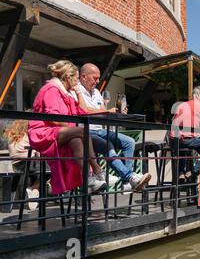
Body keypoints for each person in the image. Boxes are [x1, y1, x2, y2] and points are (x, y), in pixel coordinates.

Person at [28, 60, 106, 195]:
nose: (77, 82)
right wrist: (73, 130)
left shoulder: (66, 93)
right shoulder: (52, 89)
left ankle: (88, 179)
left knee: (76, 140)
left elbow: (82, 111)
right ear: (68, 77)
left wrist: (78, 92)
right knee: (82, 131)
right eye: (76, 79)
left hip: (58, 132)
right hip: (42, 132)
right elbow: (54, 119)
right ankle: (97, 169)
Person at [72, 63, 151, 192]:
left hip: (100, 130)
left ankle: (127, 181)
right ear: (84, 76)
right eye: (95, 78)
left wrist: (116, 113)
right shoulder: (76, 91)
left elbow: (103, 112)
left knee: (129, 142)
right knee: (108, 145)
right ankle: (130, 178)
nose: (97, 81)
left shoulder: (97, 92)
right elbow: (83, 111)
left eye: (98, 78)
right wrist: (106, 111)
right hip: (85, 130)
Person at [169, 86, 200, 181]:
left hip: (173, 141)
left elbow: (174, 122)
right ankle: (193, 171)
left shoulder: (181, 105)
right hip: (187, 140)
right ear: (198, 96)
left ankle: (181, 173)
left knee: (183, 149)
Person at [4, 120, 40, 210]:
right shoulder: (28, 135)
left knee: (30, 174)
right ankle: (33, 189)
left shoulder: (11, 138)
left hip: (16, 165)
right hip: (29, 163)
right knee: (49, 171)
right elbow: (37, 151)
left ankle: (9, 205)